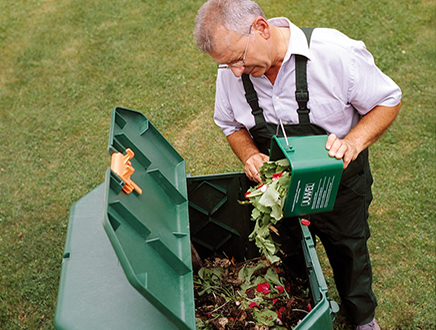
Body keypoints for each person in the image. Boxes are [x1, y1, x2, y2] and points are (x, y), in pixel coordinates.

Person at [194, 0, 401, 329]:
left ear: (261, 28)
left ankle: (362, 319)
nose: (234, 72)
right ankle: (307, 310)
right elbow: (230, 124)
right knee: (289, 252)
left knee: (349, 250)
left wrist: (354, 142)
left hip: (339, 185)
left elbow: (387, 99)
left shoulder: (335, 53)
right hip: (280, 190)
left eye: (237, 59)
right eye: (226, 64)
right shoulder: (231, 72)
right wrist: (249, 154)